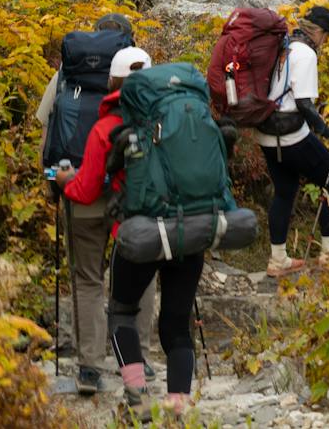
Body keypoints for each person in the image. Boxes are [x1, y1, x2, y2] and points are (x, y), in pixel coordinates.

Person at [55, 46, 205, 416]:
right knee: (176, 325)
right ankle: (178, 406)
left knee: (121, 311)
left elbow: (87, 189)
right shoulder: (183, 115)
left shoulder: (107, 126)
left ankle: (136, 397)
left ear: (112, 81)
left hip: (139, 232)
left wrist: (64, 184)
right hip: (189, 229)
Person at [35, 15, 154, 396]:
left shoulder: (65, 76)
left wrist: (53, 184)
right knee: (139, 279)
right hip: (132, 196)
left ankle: (90, 368)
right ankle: (141, 361)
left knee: (87, 279)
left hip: (80, 193)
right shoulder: (145, 83)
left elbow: (46, 132)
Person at [253, 3, 329, 276]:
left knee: (285, 191)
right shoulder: (306, 54)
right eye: (327, 36)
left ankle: (278, 259)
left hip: (266, 132)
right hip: (290, 133)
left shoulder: (284, 46)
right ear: (318, 32)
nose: (326, 41)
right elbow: (304, 104)